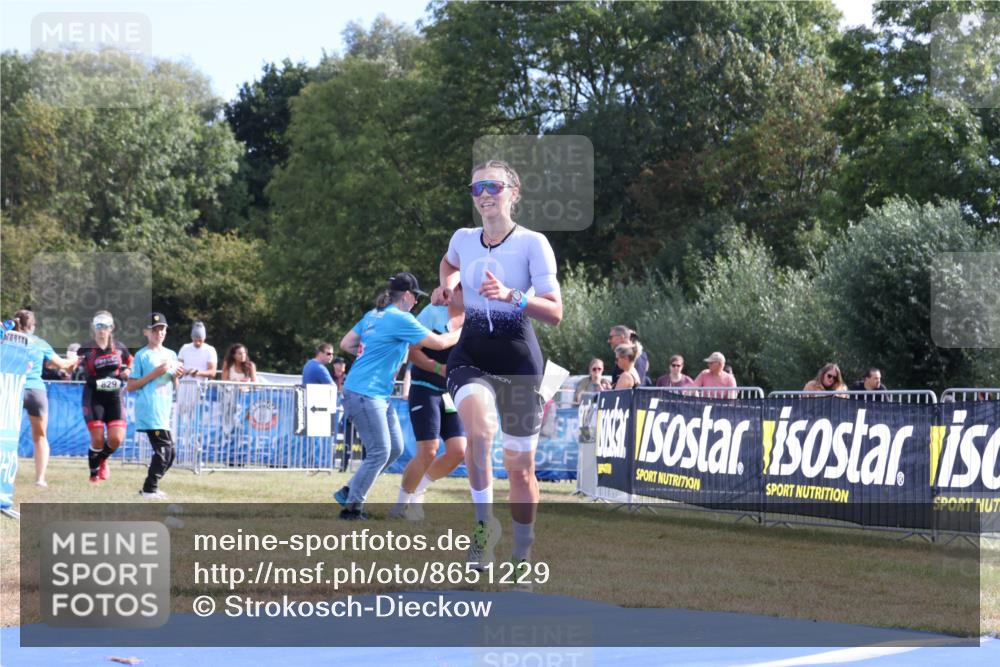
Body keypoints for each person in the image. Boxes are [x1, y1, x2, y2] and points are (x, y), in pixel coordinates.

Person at [433, 159, 562, 576]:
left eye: (493, 186)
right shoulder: (463, 238)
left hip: (519, 362)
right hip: (471, 357)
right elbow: (449, 263)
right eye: (477, 188)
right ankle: (484, 527)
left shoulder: (533, 243)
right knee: (479, 432)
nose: (485, 195)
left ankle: (522, 552)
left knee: (520, 471)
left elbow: (555, 312)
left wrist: (512, 296)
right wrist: (448, 285)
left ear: (513, 193)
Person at [333, 272, 461, 520]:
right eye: (416, 297)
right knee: (381, 451)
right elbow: (438, 343)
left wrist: (375, 352)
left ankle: (350, 490)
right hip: (366, 392)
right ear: (406, 295)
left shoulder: (374, 315)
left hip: (373, 392)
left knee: (395, 448)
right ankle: (352, 508)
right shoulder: (401, 318)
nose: (417, 302)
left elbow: (346, 344)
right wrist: (464, 329)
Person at [391, 293, 467, 520]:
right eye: (466, 289)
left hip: (451, 393)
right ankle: (400, 505)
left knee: (459, 451)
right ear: (456, 290)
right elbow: (412, 351)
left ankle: (419, 490)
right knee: (428, 450)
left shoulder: (475, 319)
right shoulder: (433, 312)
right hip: (424, 387)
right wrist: (438, 368)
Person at [10, 310, 80, 486]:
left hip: (14, 389)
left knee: (6, 435)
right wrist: (74, 359)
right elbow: (63, 365)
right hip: (36, 391)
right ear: (33, 326)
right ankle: (40, 479)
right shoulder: (39, 343)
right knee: (40, 436)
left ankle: (5, 475)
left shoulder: (7, 340)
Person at [127, 312, 185, 499]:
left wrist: (177, 376)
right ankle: (149, 489)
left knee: (171, 453)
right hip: (149, 407)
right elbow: (131, 386)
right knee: (163, 450)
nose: (159, 333)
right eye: (155, 329)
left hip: (164, 408)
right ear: (146, 332)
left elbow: (175, 385)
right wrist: (155, 373)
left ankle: (150, 486)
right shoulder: (142, 355)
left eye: (162, 329)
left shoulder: (171, 354)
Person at [79, 310, 133, 483]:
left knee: (116, 438)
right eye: (99, 325)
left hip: (114, 397)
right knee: (97, 439)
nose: (102, 329)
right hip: (94, 396)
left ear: (112, 328)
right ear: (93, 327)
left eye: (105, 326)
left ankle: (102, 460)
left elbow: (131, 361)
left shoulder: (119, 347)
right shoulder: (86, 348)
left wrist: (128, 370)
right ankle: (93, 475)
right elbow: (73, 361)